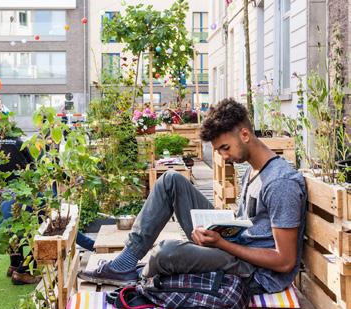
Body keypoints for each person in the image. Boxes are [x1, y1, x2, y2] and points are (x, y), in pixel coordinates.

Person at [78, 98, 306, 296]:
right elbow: (248, 225)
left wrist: (222, 243)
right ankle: (126, 262)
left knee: (164, 253)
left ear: (245, 134)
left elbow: (284, 261)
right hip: (235, 246)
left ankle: (135, 272)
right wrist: (215, 230)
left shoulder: (280, 183)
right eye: (219, 151)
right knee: (170, 181)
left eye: (225, 148)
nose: (224, 157)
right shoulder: (253, 170)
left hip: (254, 272)